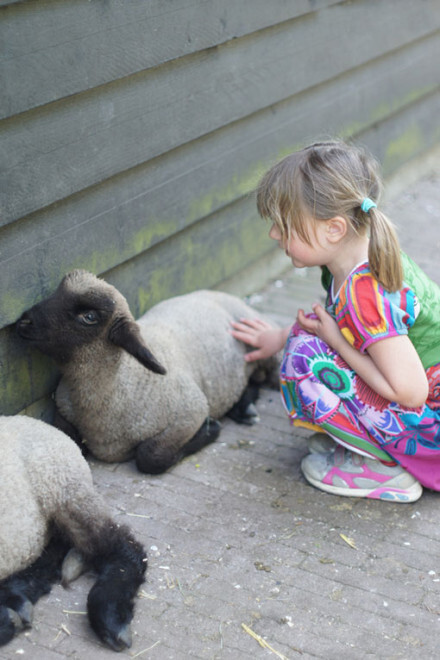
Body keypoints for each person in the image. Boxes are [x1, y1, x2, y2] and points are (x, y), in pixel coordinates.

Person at [230, 140, 440, 503]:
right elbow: (330, 321)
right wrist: (279, 335)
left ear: (334, 229)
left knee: (303, 361)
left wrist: (336, 343)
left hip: (431, 428)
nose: (274, 235)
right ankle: (367, 441)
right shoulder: (355, 255)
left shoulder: (366, 294)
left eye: (284, 224)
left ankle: (382, 467)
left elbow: (411, 392)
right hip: (426, 406)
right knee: (304, 342)